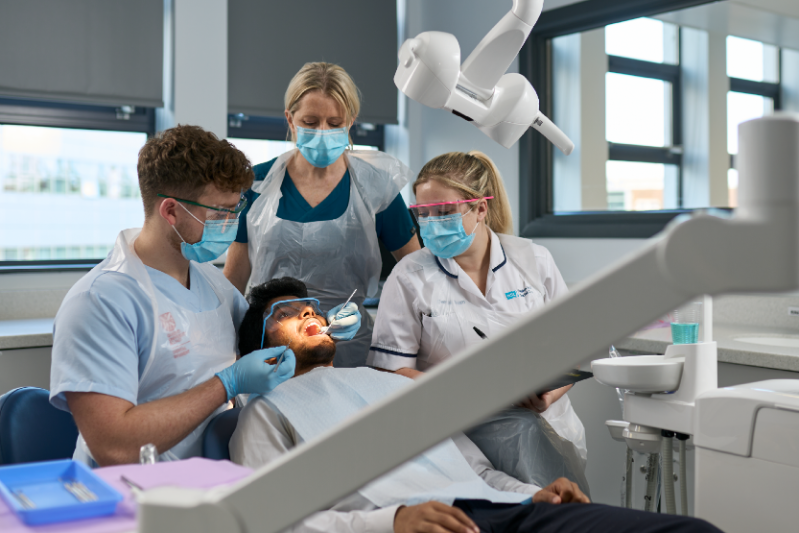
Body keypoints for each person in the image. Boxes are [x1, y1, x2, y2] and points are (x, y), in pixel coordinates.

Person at [229, 277, 721, 533]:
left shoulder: (389, 385)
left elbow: (479, 472)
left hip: (508, 512)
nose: (309, 313)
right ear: (257, 347)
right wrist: (392, 521)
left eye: (311, 307)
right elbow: (270, 522)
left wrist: (533, 493)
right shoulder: (263, 414)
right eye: (288, 314)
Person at [49, 125, 298, 466]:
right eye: (218, 213)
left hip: (217, 477)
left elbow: (263, 340)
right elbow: (113, 445)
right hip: (134, 495)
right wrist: (226, 383)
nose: (230, 223)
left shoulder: (213, 282)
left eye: (234, 209)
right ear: (170, 211)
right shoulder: (100, 302)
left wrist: (316, 329)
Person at [367, 151, 588, 487]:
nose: (432, 223)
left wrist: (548, 395)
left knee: (561, 515)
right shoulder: (409, 275)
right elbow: (390, 370)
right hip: (460, 439)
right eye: (423, 214)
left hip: (549, 431)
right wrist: (470, 388)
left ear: (481, 208)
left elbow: (572, 346)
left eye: (444, 212)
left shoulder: (533, 261)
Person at [224, 62, 421, 368]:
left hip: (347, 349)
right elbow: (234, 281)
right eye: (311, 121)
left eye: (334, 122)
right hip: (271, 347)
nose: (322, 132)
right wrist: (226, 349)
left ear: (351, 122)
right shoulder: (257, 187)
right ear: (290, 119)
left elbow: (417, 276)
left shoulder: (376, 189)